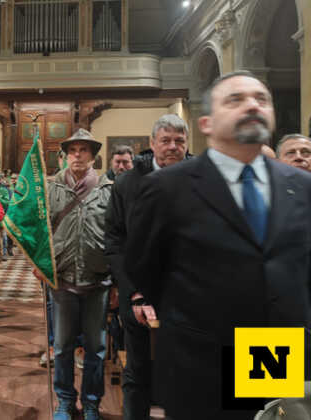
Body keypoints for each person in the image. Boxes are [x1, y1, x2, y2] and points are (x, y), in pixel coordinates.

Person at [125, 71, 311, 420]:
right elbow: (144, 268)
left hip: (272, 349)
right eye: (235, 100)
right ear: (207, 124)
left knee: (267, 417)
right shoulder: (167, 187)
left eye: (261, 99)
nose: (252, 105)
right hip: (201, 355)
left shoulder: (302, 186)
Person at [104, 114, 189, 420]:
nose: (173, 147)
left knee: (189, 376)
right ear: (152, 143)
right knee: (138, 372)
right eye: (166, 140)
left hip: (192, 300)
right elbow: (116, 241)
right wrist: (136, 292)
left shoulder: (203, 179)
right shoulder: (128, 183)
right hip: (139, 294)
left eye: (179, 141)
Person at [41, 128, 113, 420]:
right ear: (65, 156)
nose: (78, 155)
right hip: (62, 279)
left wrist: (117, 278)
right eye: (73, 150)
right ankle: (65, 401)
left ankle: (92, 402)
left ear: (93, 156)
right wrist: (39, 263)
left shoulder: (109, 190)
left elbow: (118, 235)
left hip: (98, 280)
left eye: (84, 150)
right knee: (62, 347)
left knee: (96, 348)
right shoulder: (52, 189)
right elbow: (40, 229)